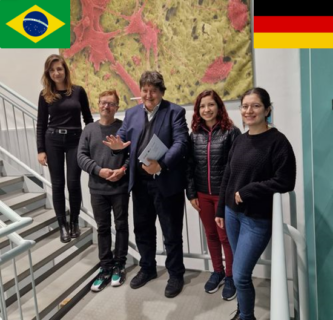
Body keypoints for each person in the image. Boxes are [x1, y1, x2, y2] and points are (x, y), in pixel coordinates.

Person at [103, 71, 189, 298]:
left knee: (171, 232)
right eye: (144, 90)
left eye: (153, 90)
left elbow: (181, 143)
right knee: (142, 230)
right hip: (140, 184)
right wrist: (118, 146)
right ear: (139, 91)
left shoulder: (175, 112)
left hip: (166, 182)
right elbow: (122, 138)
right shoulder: (131, 113)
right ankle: (148, 268)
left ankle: (176, 274)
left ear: (161, 91)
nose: (148, 95)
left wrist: (160, 164)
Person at [215, 87, 296, 320]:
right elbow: (228, 178)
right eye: (245, 106)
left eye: (256, 106)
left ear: (267, 109)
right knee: (239, 272)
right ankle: (242, 311)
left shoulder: (278, 142)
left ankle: (246, 317)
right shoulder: (239, 140)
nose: (249, 110)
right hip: (232, 213)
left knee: (240, 274)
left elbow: (285, 181)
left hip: (256, 219)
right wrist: (221, 208)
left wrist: (250, 190)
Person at [186, 89, 240, 299]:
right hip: (202, 195)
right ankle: (217, 271)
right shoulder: (195, 134)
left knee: (226, 237)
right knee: (210, 235)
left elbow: (235, 167)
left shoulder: (230, 132)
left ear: (219, 107)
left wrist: (230, 194)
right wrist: (191, 194)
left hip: (223, 196)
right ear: (198, 110)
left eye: (211, 105)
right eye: (202, 106)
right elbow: (189, 166)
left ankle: (231, 276)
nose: (206, 109)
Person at [36, 54, 93, 243]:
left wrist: (91, 141)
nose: (56, 73)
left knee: (73, 183)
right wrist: (40, 150)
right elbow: (41, 124)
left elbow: (88, 119)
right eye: (52, 70)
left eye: (59, 69)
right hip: (52, 140)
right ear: (48, 73)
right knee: (58, 185)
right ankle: (63, 225)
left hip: (75, 141)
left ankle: (74, 221)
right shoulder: (45, 95)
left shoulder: (78, 91)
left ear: (65, 70)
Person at [77, 90, 130, 292]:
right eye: (103, 103)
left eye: (111, 103)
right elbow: (80, 157)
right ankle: (105, 268)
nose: (106, 106)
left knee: (122, 225)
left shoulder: (123, 128)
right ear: (97, 105)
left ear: (117, 107)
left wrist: (122, 170)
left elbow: (130, 153)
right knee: (103, 228)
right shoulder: (89, 129)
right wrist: (98, 170)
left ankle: (120, 265)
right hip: (97, 189)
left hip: (119, 188)